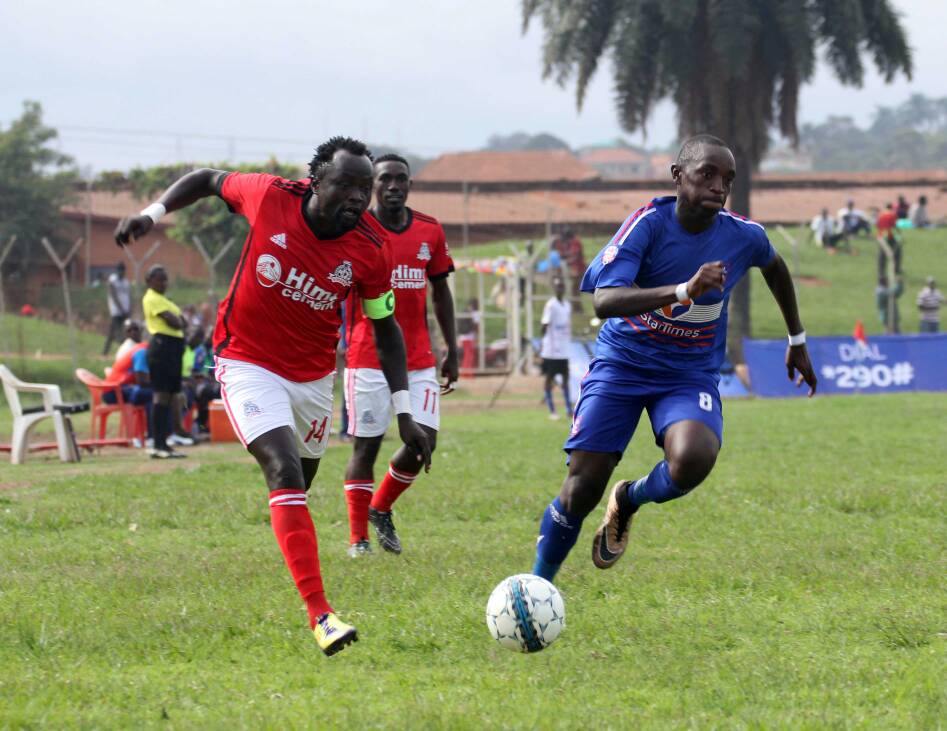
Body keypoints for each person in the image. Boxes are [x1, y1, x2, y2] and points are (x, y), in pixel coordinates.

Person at [114, 136, 430, 657]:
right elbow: (206, 178)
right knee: (283, 471)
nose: (357, 197)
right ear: (316, 182)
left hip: (311, 380)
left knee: (299, 484)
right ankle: (321, 616)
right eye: (346, 185)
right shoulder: (269, 196)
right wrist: (152, 213)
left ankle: (296, 546)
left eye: (363, 187)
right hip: (245, 360)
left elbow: (385, 327)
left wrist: (404, 410)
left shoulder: (372, 249)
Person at [528, 134, 817, 584]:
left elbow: (775, 266)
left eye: (728, 179)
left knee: (694, 458)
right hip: (623, 364)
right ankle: (538, 587)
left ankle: (629, 499)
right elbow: (605, 301)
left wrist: (796, 338)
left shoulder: (744, 236)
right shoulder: (647, 224)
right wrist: (684, 289)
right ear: (678, 176)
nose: (719, 187)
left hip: (687, 374)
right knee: (583, 487)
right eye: (707, 174)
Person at [342, 154, 457, 557]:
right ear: (372, 184)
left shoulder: (429, 230)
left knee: (425, 442)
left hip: (420, 358)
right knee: (366, 448)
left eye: (401, 179)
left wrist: (452, 348)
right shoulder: (355, 230)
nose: (394, 186)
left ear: (410, 184)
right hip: (367, 357)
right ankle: (358, 539)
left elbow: (441, 291)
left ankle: (381, 506)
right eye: (385, 179)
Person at [141, 265, 193, 457]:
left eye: (165, 279)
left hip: (173, 348)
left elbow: (183, 321)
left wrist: (179, 320)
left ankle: (165, 443)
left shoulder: (164, 300)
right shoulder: (151, 298)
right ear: (149, 281)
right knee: (161, 395)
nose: (163, 283)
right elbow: (175, 322)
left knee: (171, 396)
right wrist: (179, 320)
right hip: (162, 347)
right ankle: (157, 444)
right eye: (159, 279)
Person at [103, 319, 153, 442]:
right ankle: (152, 436)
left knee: (151, 394)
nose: (134, 332)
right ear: (126, 333)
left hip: (126, 387)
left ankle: (149, 434)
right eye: (130, 330)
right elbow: (140, 377)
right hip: (115, 390)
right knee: (153, 395)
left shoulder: (139, 346)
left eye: (136, 329)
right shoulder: (132, 349)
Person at [540, 276, 573, 420]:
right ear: (554, 289)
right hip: (552, 351)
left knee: (566, 379)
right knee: (549, 379)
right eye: (557, 286)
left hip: (564, 350)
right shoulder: (551, 305)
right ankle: (552, 411)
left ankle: (568, 409)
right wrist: (544, 340)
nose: (560, 289)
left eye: (562, 286)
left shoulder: (567, 305)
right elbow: (544, 325)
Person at [552, 226, 586, 311]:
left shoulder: (575, 242)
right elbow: (566, 254)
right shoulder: (570, 242)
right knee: (573, 290)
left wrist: (567, 260)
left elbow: (575, 255)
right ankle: (575, 308)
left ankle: (577, 309)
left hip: (578, 269)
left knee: (575, 290)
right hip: (574, 270)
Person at [102, 262, 131, 355]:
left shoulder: (126, 282)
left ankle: (106, 352)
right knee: (116, 332)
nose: (121, 272)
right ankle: (109, 352)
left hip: (125, 311)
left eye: (122, 270)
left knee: (120, 331)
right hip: (116, 311)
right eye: (119, 270)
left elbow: (128, 297)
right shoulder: (112, 280)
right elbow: (113, 295)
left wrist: (128, 309)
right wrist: (121, 309)